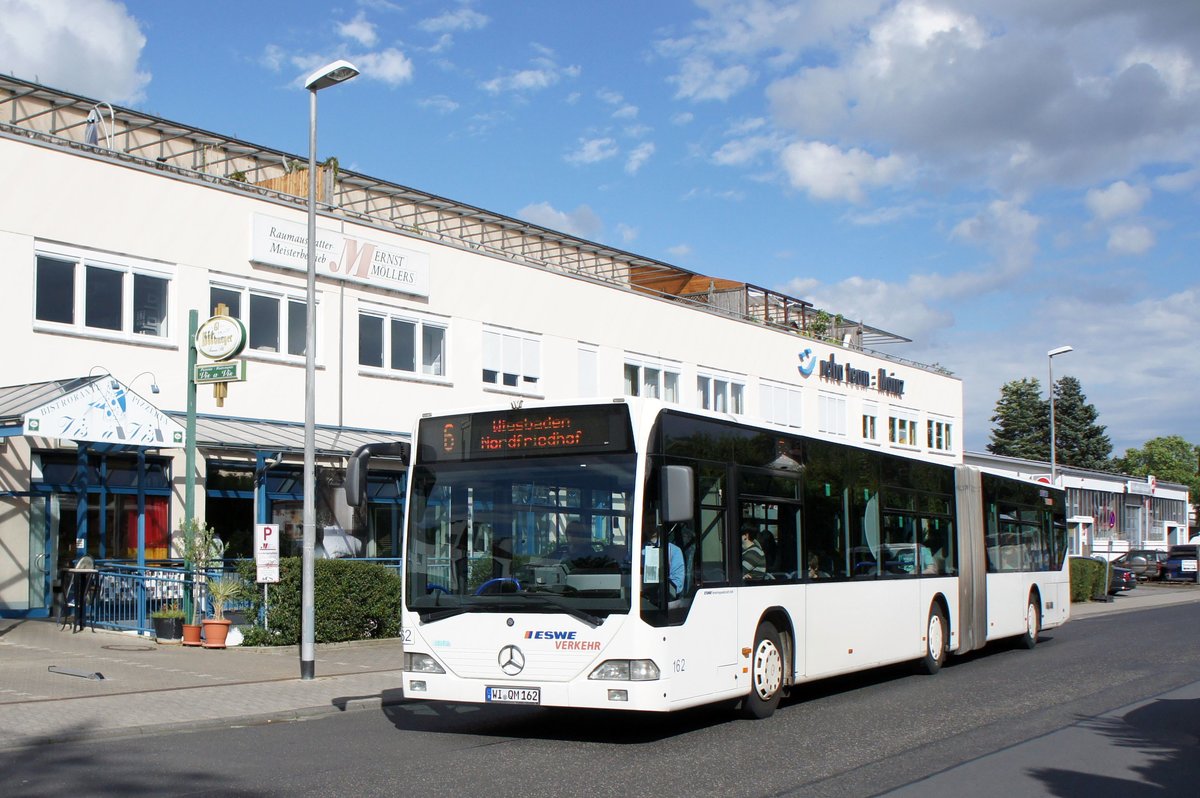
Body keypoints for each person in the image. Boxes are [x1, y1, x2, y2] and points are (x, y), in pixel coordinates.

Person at [643, 526, 685, 596]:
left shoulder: (674, 551)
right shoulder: (636, 551)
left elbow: (678, 584)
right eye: (647, 523)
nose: (650, 527)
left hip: (663, 600)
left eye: (652, 523)